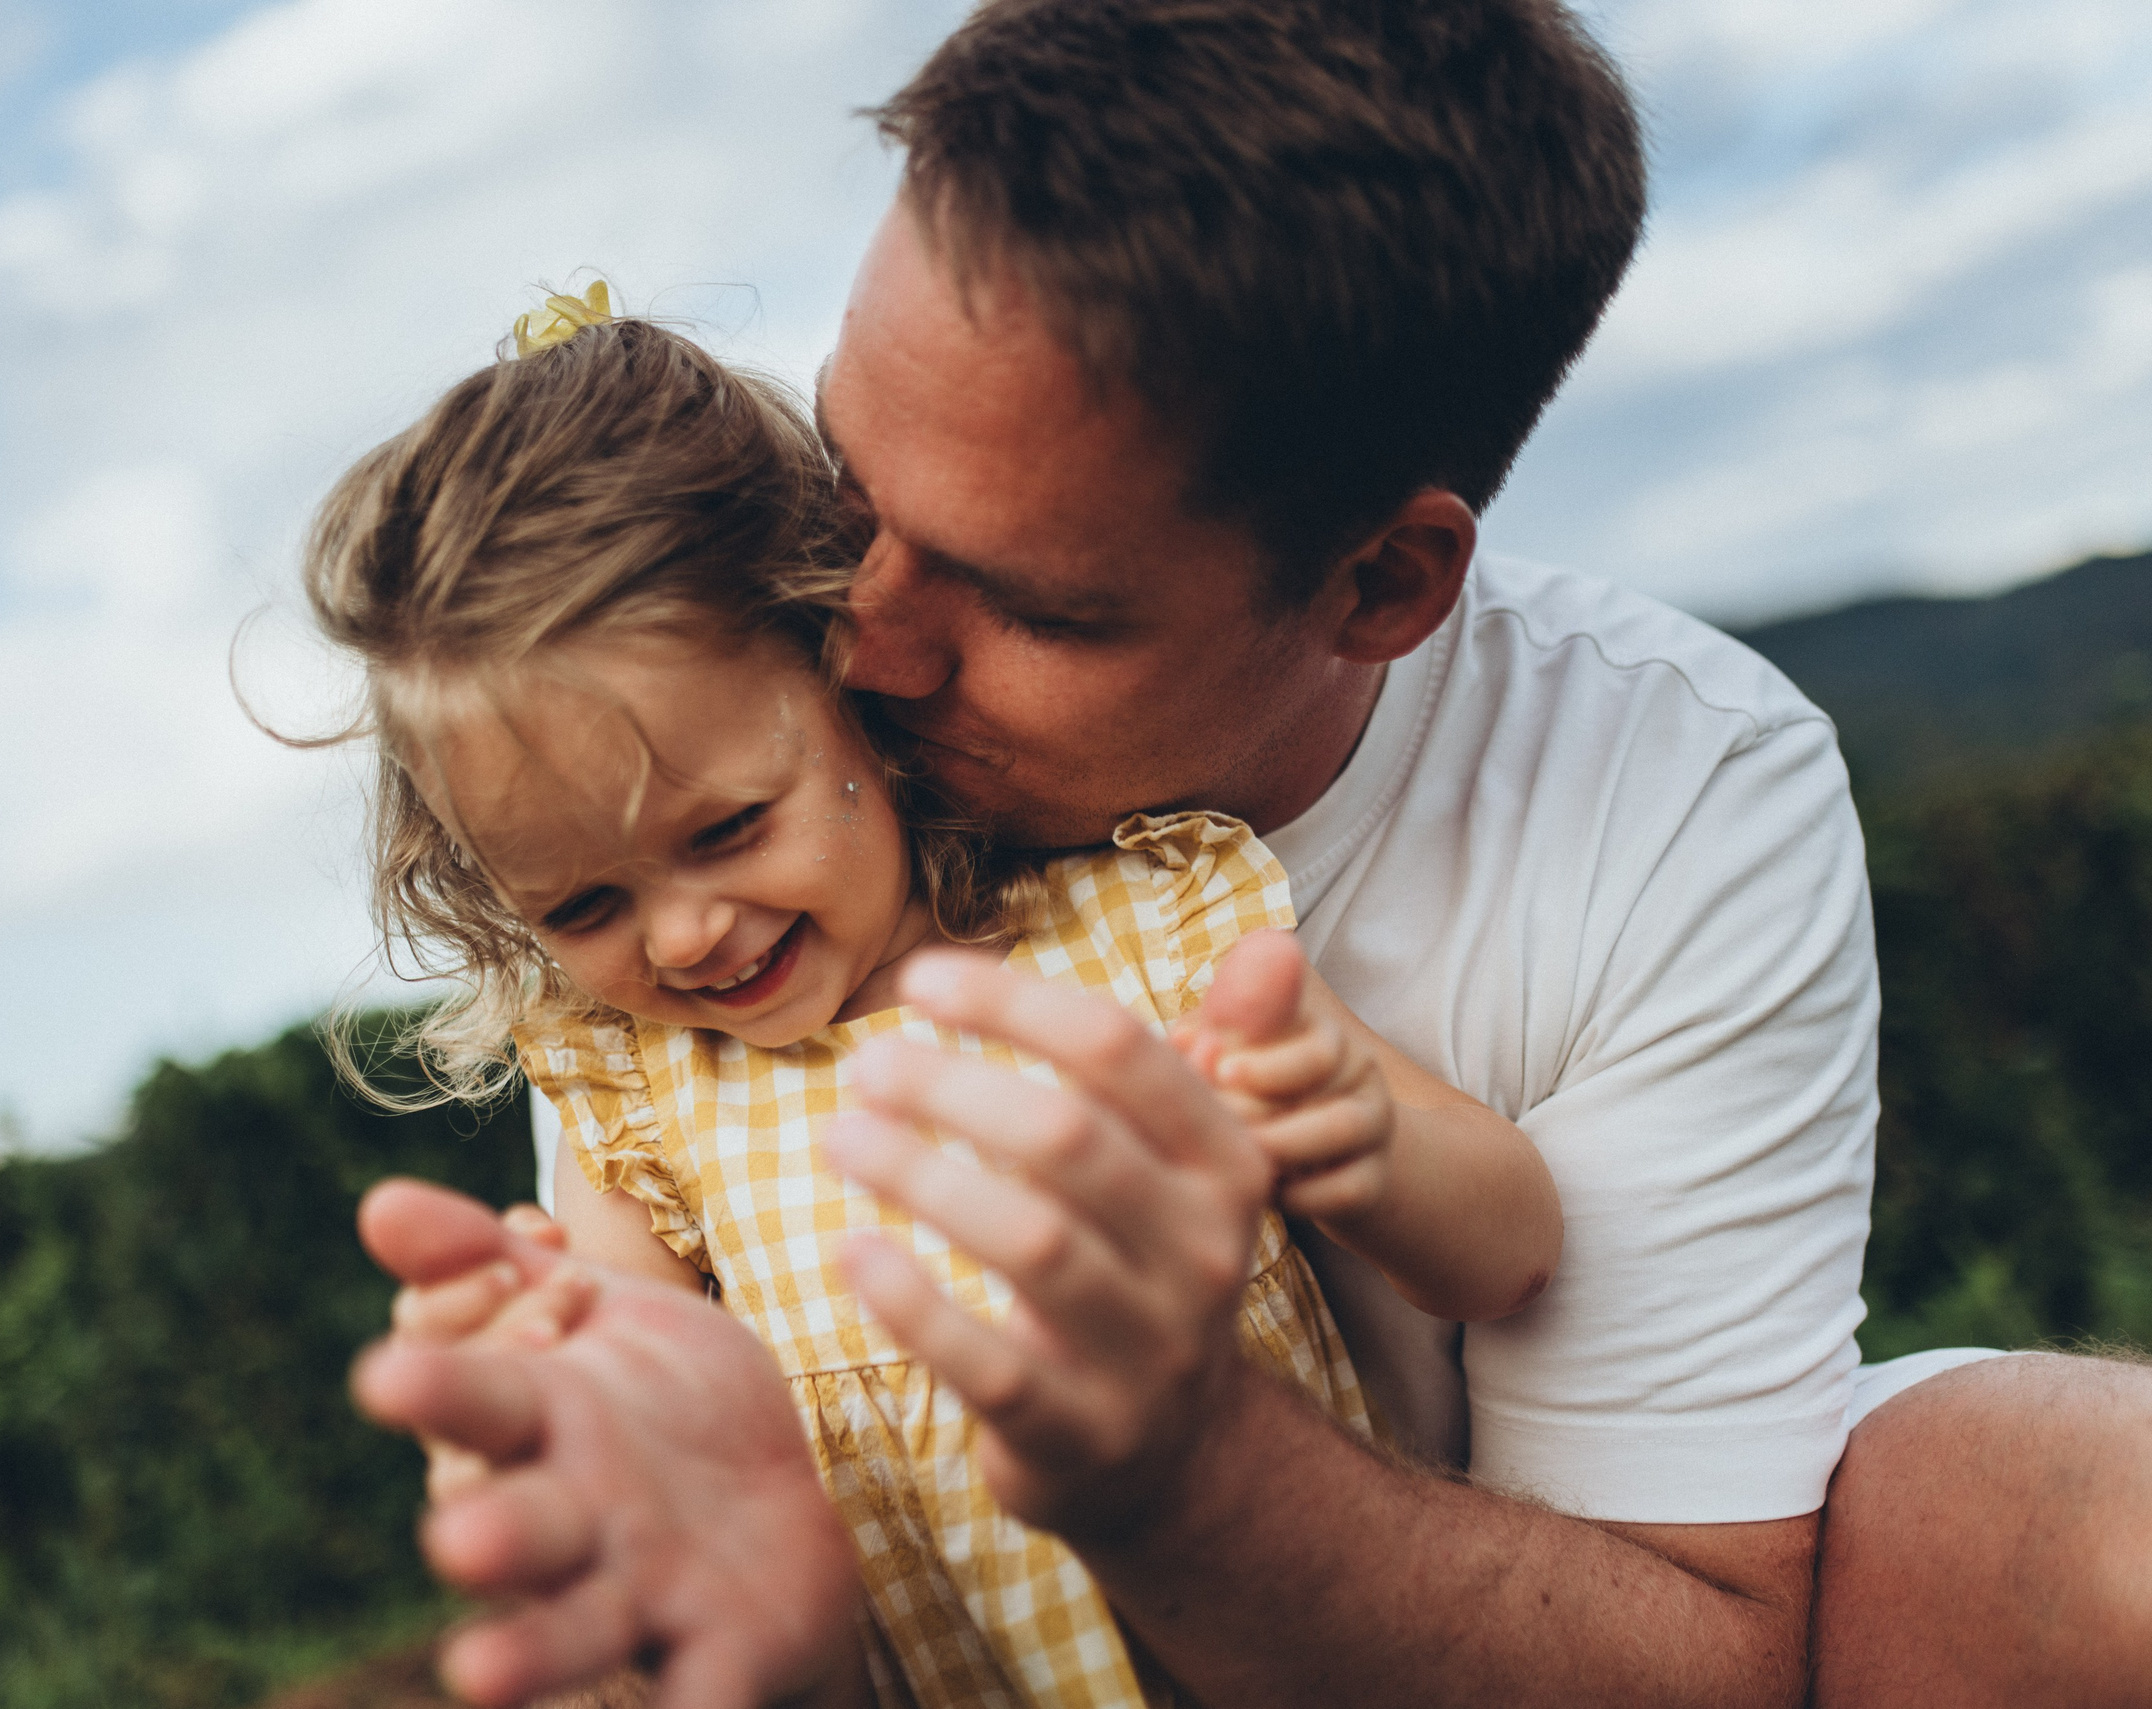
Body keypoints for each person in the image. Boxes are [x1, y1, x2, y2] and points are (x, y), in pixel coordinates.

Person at [351, 2, 2152, 1705]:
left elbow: (1701, 1644)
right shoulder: (723, 799)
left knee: (2055, 1505)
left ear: (1380, 584)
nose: (867, 644)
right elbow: (692, 1510)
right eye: (852, 488)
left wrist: (1186, 1464)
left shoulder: (1672, 790)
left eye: (1025, 601)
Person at [307, 300, 1560, 1707]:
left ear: (852, 675)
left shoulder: (1142, 931)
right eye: (583, 907)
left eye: (730, 827)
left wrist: (1365, 1140)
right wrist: (569, 1405)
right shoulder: (645, 1101)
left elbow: (1509, 1249)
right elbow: (646, 1430)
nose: (688, 930)